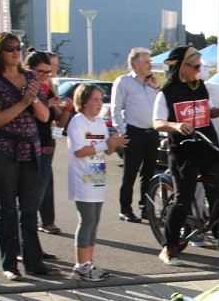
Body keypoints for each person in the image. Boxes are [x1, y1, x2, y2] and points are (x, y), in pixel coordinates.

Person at [0, 32, 53, 281]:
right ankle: (9, 263)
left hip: (31, 148)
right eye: (9, 48)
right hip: (4, 149)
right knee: (7, 208)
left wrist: (33, 101)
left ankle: (33, 261)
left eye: (17, 47)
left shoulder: (29, 76)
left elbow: (44, 116)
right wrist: (23, 102)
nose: (15, 52)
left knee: (29, 209)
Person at [152, 45, 219, 266]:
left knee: (218, 194)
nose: (198, 69)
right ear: (182, 68)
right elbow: (156, 122)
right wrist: (174, 125)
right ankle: (170, 246)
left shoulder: (200, 87)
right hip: (183, 151)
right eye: (195, 65)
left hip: (206, 146)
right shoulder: (166, 93)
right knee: (183, 199)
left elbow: (206, 112)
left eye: (199, 65)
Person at [66, 83, 128, 281]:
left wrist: (113, 144)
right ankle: (80, 266)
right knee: (86, 221)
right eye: (95, 99)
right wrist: (104, 144)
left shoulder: (100, 122)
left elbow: (107, 151)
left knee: (94, 222)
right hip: (82, 179)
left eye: (101, 99)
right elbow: (79, 150)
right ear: (83, 101)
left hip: (98, 180)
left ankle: (89, 263)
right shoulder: (78, 122)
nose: (100, 104)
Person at [110, 47, 160, 223]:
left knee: (149, 173)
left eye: (150, 61)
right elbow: (115, 108)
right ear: (135, 64)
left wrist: (157, 87)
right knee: (130, 173)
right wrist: (123, 132)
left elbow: (159, 106)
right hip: (134, 132)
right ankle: (125, 209)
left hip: (151, 132)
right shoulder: (123, 81)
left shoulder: (151, 83)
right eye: (146, 61)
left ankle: (146, 208)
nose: (150, 65)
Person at [28, 50, 72, 236]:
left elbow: (58, 122)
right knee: (32, 198)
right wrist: (48, 105)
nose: (51, 72)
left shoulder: (49, 89)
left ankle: (37, 237)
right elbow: (38, 115)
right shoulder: (29, 88)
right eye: (44, 70)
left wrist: (67, 109)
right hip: (32, 146)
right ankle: (27, 244)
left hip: (48, 143)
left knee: (44, 188)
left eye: (52, 68)